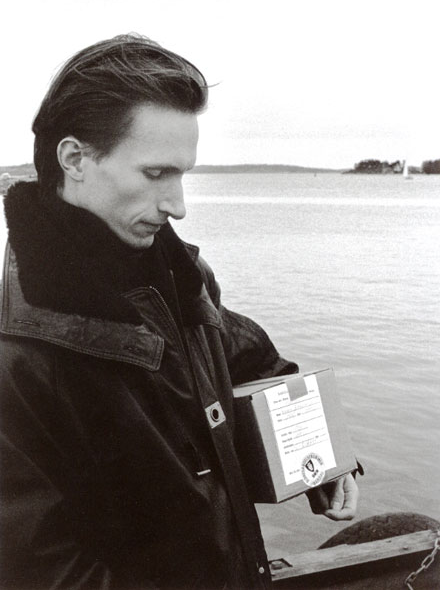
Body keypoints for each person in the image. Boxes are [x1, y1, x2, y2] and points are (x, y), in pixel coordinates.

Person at [0, 34, 359, 589]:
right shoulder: (15, 348)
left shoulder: (179, 275)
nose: (179, 206)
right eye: (155, 174)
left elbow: (250, 362)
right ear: (73, 159)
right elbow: (40, 570)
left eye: (183, 174)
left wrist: (319, 456)